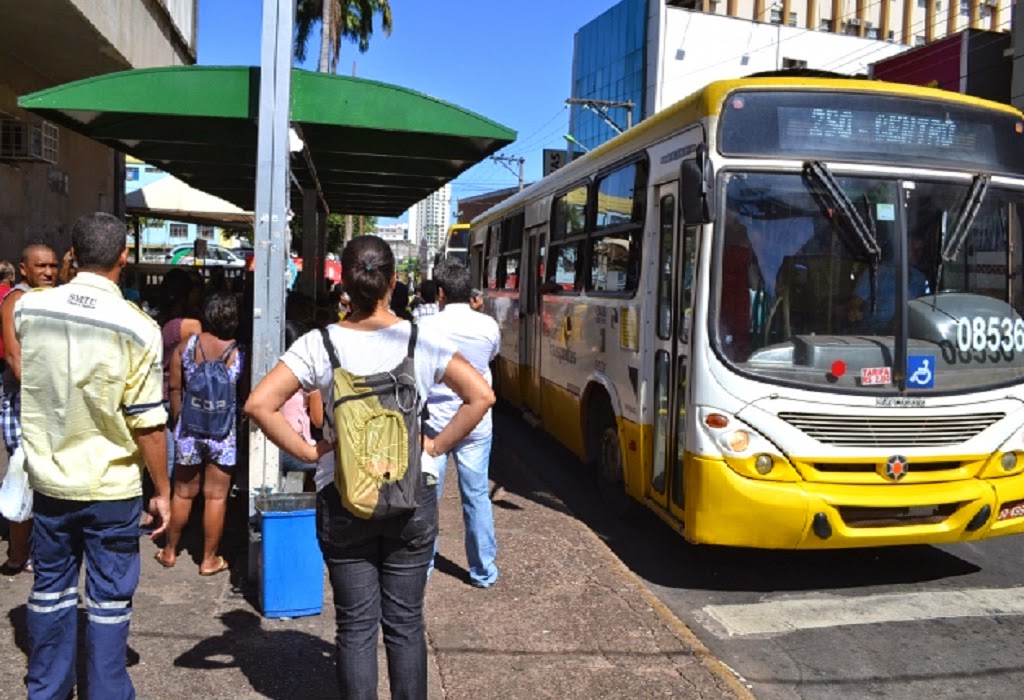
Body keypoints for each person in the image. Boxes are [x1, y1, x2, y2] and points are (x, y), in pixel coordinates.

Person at [244, 234, 494, 698]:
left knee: (356, 627)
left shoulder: (320, 344)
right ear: (393, 282)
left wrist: (307, 451)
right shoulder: (421, 339)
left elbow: (260, 404)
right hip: (410, 495)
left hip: (342, 496)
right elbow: (481, 396)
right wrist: (435, 448)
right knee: (405, 623)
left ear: (346, 287)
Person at [16, 213, 170, 699]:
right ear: (125, 258)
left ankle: (47, 690)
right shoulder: (139, 329)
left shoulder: (29, 312)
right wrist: (162, 491)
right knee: (108, 602)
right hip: (111, 489)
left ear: (71, 255)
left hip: (50, 483)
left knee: (48, 594)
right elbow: (148, 423)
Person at [419, 261, 501, 588]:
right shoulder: (488, 326)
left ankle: (421, 568)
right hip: (476, 423)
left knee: (427, 499)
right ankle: (483, 571)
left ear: (440, 292)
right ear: (469, 292)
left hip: (435, 426)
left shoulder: (426, 327)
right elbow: (490, 357)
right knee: (477, 495)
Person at [157, 291, 244, 575]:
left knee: (182, 493)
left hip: (190, 429)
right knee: (215, 496)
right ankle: (209, 559)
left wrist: (179, 419)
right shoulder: (238, 351)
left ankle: (169, 551)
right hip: (223, 433)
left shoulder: (186, 346)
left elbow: (173, 387)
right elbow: (241, 395)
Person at [0, 244, 59, 576]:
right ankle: (17, 553)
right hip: (25, 401)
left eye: (52, 265)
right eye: (41, 266)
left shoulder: (53, 298)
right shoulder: (16, 300)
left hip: (50, 401)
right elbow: (13, 356)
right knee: (23, 475)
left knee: (45, 479)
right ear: (25, 269)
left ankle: (38, 550)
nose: (48, 272)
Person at [278, 320, 324, 492]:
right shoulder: (308, 377)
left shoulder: (267, 372)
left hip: (270, 445)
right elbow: (318, 420)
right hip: (297, 447)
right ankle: (310, 508)